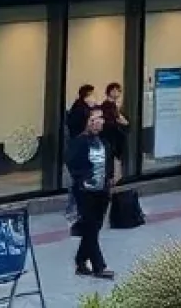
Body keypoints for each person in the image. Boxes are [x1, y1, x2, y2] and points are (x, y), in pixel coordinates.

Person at [65, 107, 114, 281]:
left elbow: (109, 161)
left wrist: (109, 179)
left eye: (101, 118)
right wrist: (83, 179)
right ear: (87, 121)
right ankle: (99, 266)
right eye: (95, 118)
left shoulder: (103, 141)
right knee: (91, 229)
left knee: (93, 228)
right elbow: (72, 164)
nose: (100, 121)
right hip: (85, 193)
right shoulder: (79, 142)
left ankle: (80, 261)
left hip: (101, 192)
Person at [100, 81, 130, 181]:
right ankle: (113, 179)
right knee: (112, 159)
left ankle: (113, 178)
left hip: (112, 136)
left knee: (113, 159)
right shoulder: (108, 105)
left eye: (119, 91)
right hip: (110, 136)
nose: (118, 93)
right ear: (111, 91)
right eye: (116, 91)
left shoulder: (113, 105)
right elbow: (118, 120)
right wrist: (123, 122)